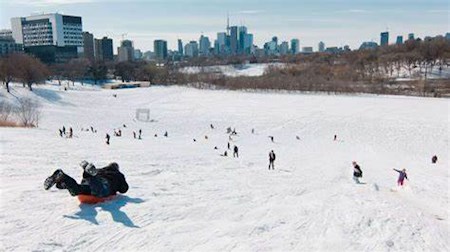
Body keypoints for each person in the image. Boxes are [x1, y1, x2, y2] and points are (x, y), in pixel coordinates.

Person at [44, 161, 128, 198]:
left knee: (77, 191)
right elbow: (124, 189)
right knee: (100, 191)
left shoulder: (101, 169)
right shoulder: (118, 174)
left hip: (90, 180)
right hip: (104, 183)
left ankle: (64, 177)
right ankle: (89, 174)